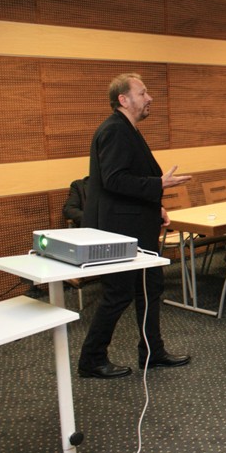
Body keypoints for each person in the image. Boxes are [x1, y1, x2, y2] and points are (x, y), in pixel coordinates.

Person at [78, 73, 191, 379]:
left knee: (150, 288)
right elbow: (114, 179)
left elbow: (129, 177)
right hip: (121, 229)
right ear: (123, 99)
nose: (149, 98)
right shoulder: (115, 130)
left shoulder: (128, 129)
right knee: (119, 293)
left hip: (138, 224)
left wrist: (157, 205)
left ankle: (152, 353)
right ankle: (91, 359)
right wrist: (158, 184)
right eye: (143, 93)